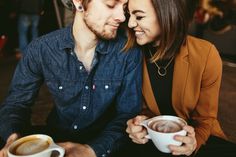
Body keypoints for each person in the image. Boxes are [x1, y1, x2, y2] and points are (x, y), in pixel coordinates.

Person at [0, 0, 142, 157]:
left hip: (105, 143)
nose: (122, 17)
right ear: (79, 3)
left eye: (123, 8)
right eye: (110, 5)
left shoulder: (128, 52)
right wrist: (13, 137)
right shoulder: (41, 49)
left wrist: (91, 150)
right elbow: (16, 103)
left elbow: (128, 114)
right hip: (54, 141)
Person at [123, 0, 236, 156]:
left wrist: (193, 141)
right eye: (129, 15)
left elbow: (205, 119)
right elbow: (134, 111)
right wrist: (138, 125)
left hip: (200, 139)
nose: (129, 23)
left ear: (166, 15)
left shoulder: (206, 55)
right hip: (152, 139)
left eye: (139, 17)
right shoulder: (129, 53)